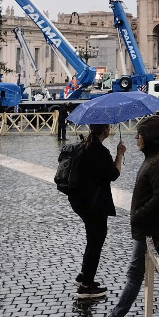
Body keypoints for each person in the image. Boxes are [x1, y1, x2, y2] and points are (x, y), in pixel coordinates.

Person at [82, 116, 159, 317]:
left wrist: (137, 216)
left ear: (150, 137)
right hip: (153, 227)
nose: (136, 137)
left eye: (140, 134)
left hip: (151, 228)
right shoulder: (155, 157)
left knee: (135, 275)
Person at [68, 124, 125, 298]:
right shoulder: (99, 151)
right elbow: (113, 174)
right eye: (108, 127)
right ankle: (86, 287)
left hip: (80, 201)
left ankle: (84, 276)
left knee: (92, 239)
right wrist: (120, 154)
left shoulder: (84, 145)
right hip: (94, 204)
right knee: (96, 241)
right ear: (105, 130)